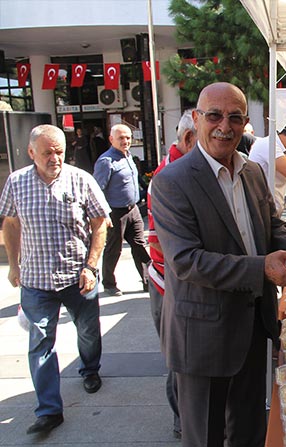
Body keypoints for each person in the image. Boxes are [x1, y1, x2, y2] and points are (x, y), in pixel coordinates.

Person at [150, 82, 286, 446]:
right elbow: (186, 261)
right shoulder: (171, 182)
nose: (225, 126)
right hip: (203, 336)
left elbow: (271, 227)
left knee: (249, 432)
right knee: (206, 437)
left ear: (245, 123)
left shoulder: (252, 172)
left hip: (253, 328)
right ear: (196, 119)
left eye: (235, 117)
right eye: (214, 115)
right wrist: (262, 269)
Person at [0, 124, 110, 435]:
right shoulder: (16, 182)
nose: (55, 158)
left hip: (78, 277)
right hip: (36, 281)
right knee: (40, 344)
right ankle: (49, 410)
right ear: (31, 152)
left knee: (88, 332)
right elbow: (10, 223)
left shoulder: (80, 179)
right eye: (47, 152)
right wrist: (13, 265)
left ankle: (90, 368)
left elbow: (100, 224)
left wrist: (91, 267)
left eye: (59, 151)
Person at [146, 109, 196, 439]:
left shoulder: (189, 169)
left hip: (182, 281)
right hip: (170, 284)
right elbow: (160, 245)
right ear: (189, 138)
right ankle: (183, 420)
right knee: (178, 358)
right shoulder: (168, 177)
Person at [93, 124, 150, 296]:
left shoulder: (128, 156)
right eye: (121, 138)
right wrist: (104, 215)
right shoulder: (106, 161)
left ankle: (148, 281)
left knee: (140, 246)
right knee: (114, 249)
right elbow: (97, 190)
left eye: (128, 137)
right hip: (115, 212)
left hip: (133, 210)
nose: (125, 141)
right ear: (111, 139)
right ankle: (109, 283)